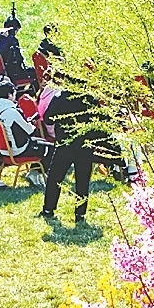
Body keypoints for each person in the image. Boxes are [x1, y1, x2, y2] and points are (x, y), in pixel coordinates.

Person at [40, 86, 102, 224]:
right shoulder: (90, 98)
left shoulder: (60, 97)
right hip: (85, 145)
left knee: (55, 178)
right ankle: (80, 214)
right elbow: (101, 120)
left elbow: (48, 118)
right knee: (83, 181)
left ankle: (48, 209)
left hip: (65, 144)